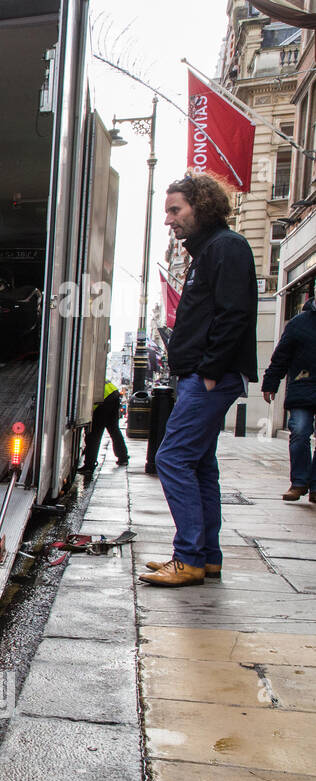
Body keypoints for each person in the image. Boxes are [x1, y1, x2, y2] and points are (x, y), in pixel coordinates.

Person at [139, 173, 257, 587]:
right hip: (202, 374)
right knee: (201, 464)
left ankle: (188, 557)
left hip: (210, 377)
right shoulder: (212, 250)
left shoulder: (226, 248)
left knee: (171, 458)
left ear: (200, 207)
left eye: (175, 210)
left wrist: (209, 370)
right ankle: (206, 558)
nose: (169, 220)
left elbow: (233, 313)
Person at [261, 296, 316, 501]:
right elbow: (281, 356)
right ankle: (299, 483)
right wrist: (270, 383)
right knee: (300, 432)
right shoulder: (299, 323)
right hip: (303, 387)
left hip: (303, 387)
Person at [80, 380, 129, 473]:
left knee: (94, 432)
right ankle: (123, 457)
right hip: (113, 393)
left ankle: (89, 465)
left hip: (103, 400)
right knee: (113, 429)